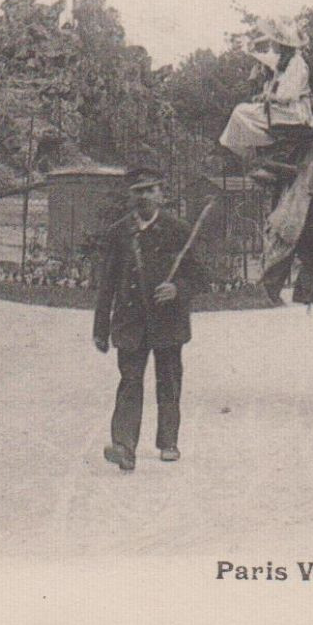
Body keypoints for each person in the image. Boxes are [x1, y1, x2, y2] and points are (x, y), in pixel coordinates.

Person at [93, 153, 207, 470]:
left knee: (168, 381)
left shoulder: (178, 230)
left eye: (149, 190)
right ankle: (124, 445)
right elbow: (107, 283)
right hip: (130, 322)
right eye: (137, 191)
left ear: (161, 193)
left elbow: (200, 277)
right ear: (130, 195)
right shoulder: (119, 233)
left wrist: (178, 289)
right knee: (130, 382)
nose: (143, 196)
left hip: (168, 322)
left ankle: (168, 441)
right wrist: (100, 329)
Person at [217, 17, 313, 176]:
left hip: (295, 112)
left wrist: (267, 96)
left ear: (282, 44)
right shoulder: (285, 61)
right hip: (284, 108)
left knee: (241, 112)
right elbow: (262, 56)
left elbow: (287, 95)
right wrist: (265, 95)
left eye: (274, 41)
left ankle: (261, 152)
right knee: (242, 112)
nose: (271, 44)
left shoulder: (297, 63)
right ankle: (260, 152)